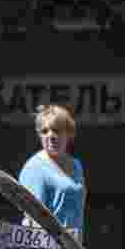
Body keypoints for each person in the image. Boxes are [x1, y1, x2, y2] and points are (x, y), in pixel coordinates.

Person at [18, 103, 86, 241]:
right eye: (44, 131)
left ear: (69, 133)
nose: (51, 136)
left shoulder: (77, 165)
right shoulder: (35, 168)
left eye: (56, 130)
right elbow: (34, 221)